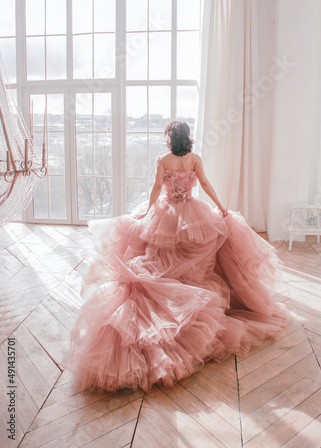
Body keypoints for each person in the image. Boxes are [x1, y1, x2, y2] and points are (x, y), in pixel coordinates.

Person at [63, 121, 289, 393]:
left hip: (167, 215)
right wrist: (220, 208)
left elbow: (157, 189)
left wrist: (148, 213)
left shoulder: (163, 159)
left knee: (161, 260)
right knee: (194, 260)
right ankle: (186, 295)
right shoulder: (194, 159)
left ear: (170, 139)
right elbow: (204, 184)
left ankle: (175, 296)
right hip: (192, 214)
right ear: (188, 139)